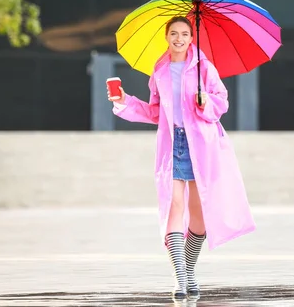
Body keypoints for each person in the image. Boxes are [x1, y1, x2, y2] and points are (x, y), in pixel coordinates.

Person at [108, 16, 255, 302]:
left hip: (201, 144)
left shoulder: (204, 68)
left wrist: (205, 102)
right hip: (172, 143)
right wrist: (125, 101)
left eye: (185, 34)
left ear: (191, 38)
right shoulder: (160, 71)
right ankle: (180, 277)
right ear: (166, 36)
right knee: (174, 206)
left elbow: (221, 102)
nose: (179, 38)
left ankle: (188, 269)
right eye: (174, 33)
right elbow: (154, 112)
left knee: (199, 216)